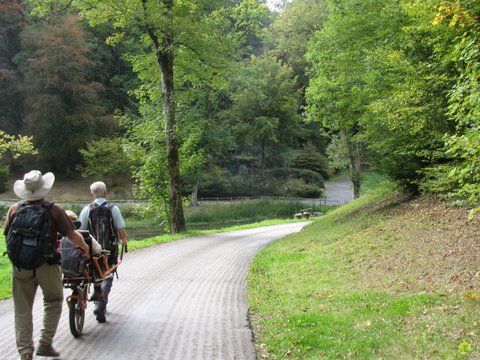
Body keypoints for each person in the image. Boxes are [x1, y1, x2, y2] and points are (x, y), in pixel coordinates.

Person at [4, 170, 89, 360]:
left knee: (22, 309)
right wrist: (84, 248)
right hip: (46, 264)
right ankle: (44, 343)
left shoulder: (14, 209)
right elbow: (72, 235)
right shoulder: (53, 209)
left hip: (20, 266)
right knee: (53, 300)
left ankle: (25, 352)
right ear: (43, 189)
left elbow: (7, 234)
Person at [79, 181, 127, 323]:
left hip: (92, 250)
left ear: (92, 193)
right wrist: (123, 240)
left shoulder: (86, 210)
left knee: (94, 273)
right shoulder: (113, 209)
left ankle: (98, 298)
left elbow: (80, 230)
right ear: (106, 193)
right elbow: (120, 229)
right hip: (109, 249)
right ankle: (102, 302)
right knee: (108, 274)